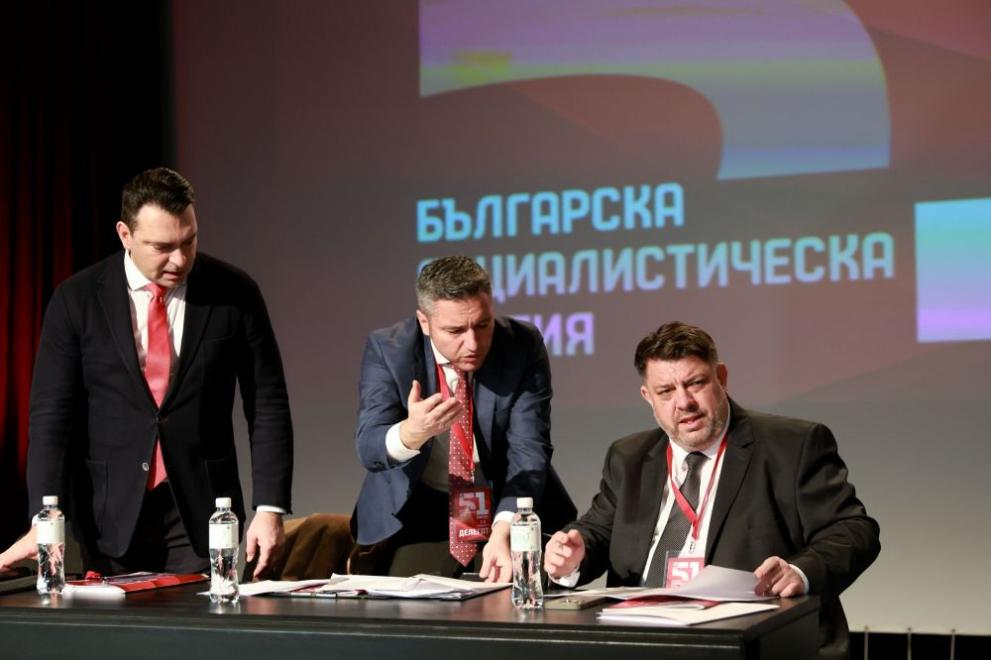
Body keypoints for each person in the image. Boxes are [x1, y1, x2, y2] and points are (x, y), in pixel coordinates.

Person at [0, 167, 293, 577]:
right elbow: (51, 416)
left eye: (189, 241)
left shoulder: (235, 293)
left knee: (199, 618)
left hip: (203, 512)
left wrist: (270, 507)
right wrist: (44, 518)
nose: (180, 259)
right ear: (125, 235)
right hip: (106, 513)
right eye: (162, 247)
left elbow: (267, 404)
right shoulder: (77, 300)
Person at [544, 321, 879, 660]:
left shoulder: (791, 446)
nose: (684, 402)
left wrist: (801, 572)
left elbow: (853, 530)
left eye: (696, 383)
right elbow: (597, 532)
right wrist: (573, 556)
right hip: (642, 639)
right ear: (648, 397)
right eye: (666, 391)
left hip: (750, 642)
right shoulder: (629, 457)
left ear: (721, 376)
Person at [351, 255, 576, 581]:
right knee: (410, 606)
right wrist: (412, 432)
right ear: (424, 322)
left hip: (505, 499)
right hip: (419, 507)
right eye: (455, 330)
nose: (473, 343)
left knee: (523, 600)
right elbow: (369, 448)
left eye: (483, 325)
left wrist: (506, 528)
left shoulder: (521, 345)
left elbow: (529, 449)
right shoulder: (389, 350)